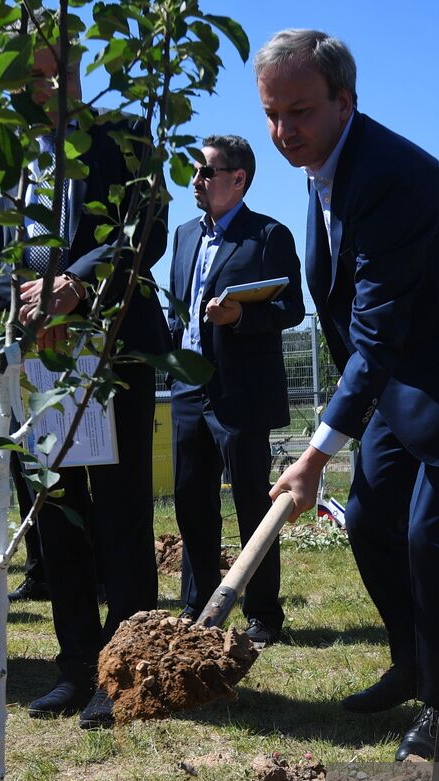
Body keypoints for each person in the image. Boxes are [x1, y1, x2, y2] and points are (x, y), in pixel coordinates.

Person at [257, 30, 439, 761]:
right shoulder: (325, 168)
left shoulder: (388, 175)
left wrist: (318, 452)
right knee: (369, 518)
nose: (285, 131)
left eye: (300, 111)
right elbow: (356, 318)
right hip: (399, 371)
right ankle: (411, 661)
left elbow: (376, 328)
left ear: (345, 101)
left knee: (429, 536)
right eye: (272, 114)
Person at [0, 24, 170, 727]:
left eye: (60, 73)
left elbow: (144, 227)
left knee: (122, 510)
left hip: (113, 346)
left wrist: (77, 281)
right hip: (32, 356)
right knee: (56, 509)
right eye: (34, 79)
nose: (51, 89)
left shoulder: (127, 136)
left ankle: (128, 669)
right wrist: (20, 295)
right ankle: (77, 665)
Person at [168, 134, 305, 645]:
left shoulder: (267, 236)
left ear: (238, 179)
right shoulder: (184, 234)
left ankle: (263, 615)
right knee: (191, 500)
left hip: (240, 392)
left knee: (252, 502)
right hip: (188, 386)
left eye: (206, 172)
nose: (196, 181)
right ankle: (198, 607)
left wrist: (241, 317)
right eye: (195, 171)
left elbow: (291, 308)